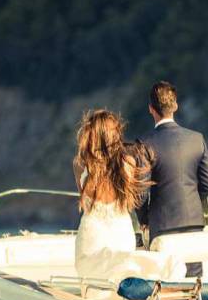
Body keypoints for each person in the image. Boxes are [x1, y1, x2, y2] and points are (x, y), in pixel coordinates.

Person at [72, 109, 183, 284]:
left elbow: (86, 202)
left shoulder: (80, 165)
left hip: (92, 234)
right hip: (121, 233)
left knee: (93, 281)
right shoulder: (128, 164)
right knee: (126, 274)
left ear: (92, 135)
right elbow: (132, 199)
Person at [136, 81, 208, 276]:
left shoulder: (144, 144)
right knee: (194, 282)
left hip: (162, 224)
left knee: (166, 280)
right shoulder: (197, 139)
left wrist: (144, 219)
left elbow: (141, 192)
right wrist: (190, 201)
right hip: (194, 221)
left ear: (151, 109)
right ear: (176, 106)